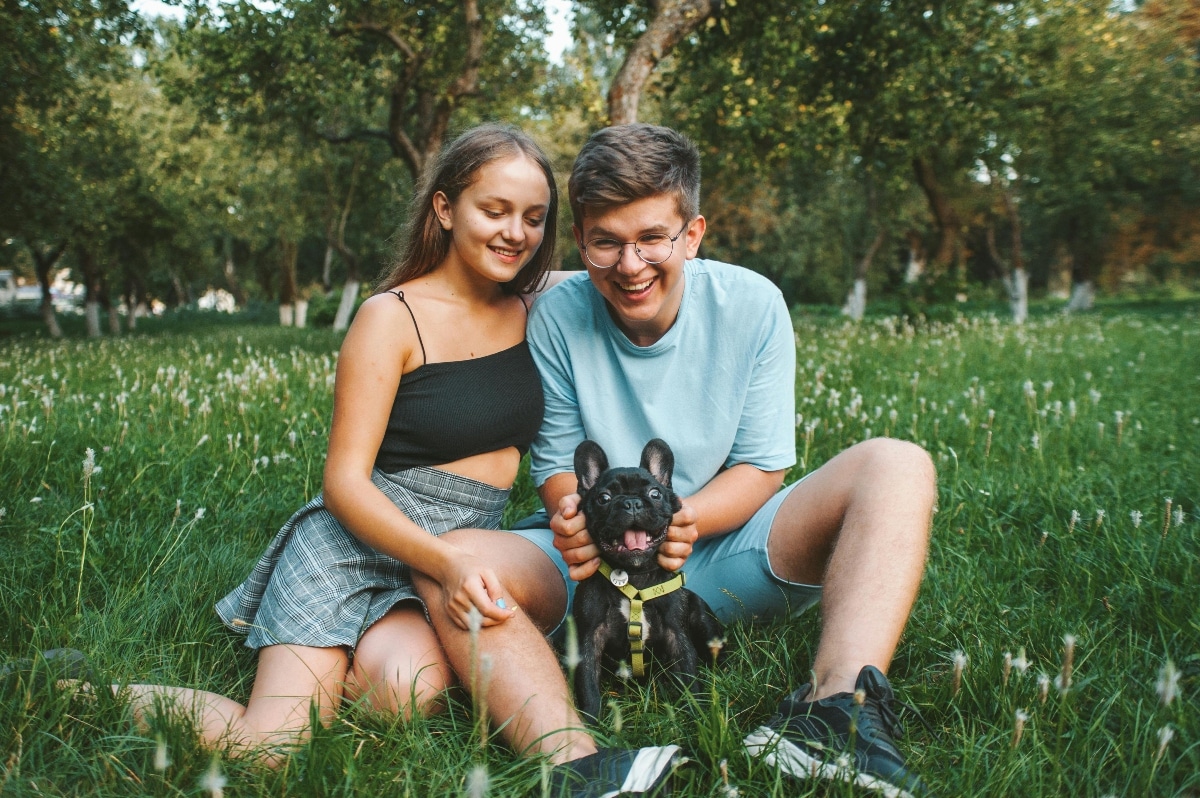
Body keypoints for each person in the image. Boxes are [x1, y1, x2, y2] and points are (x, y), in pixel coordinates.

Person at [419, 123, 936, 797]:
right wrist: (569, 517)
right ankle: (579, 763)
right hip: (593, 563)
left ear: (691, 235)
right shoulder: (555, 316)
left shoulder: (753, 305)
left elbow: (761, 466)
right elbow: (555, 465)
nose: (630, 265)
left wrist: (684, 519)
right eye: (606, 241)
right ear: (583, 240)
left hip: (720, 546)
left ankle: (832, 716)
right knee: (451, 559)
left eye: (651, 239)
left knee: (896, 463)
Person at [112, 123, 651, 769]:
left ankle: (325, 671)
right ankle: (84, 693)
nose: (516, 233)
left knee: (402, 699)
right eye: (495, 210)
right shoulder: (390, 316)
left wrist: (693, 259)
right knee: (272, 750)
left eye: (534, 218)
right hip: (356, 546)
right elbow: (343, 483)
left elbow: (630, 260)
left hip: (460, 546)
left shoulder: (534, 304)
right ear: (445, 208)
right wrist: (448, 564)